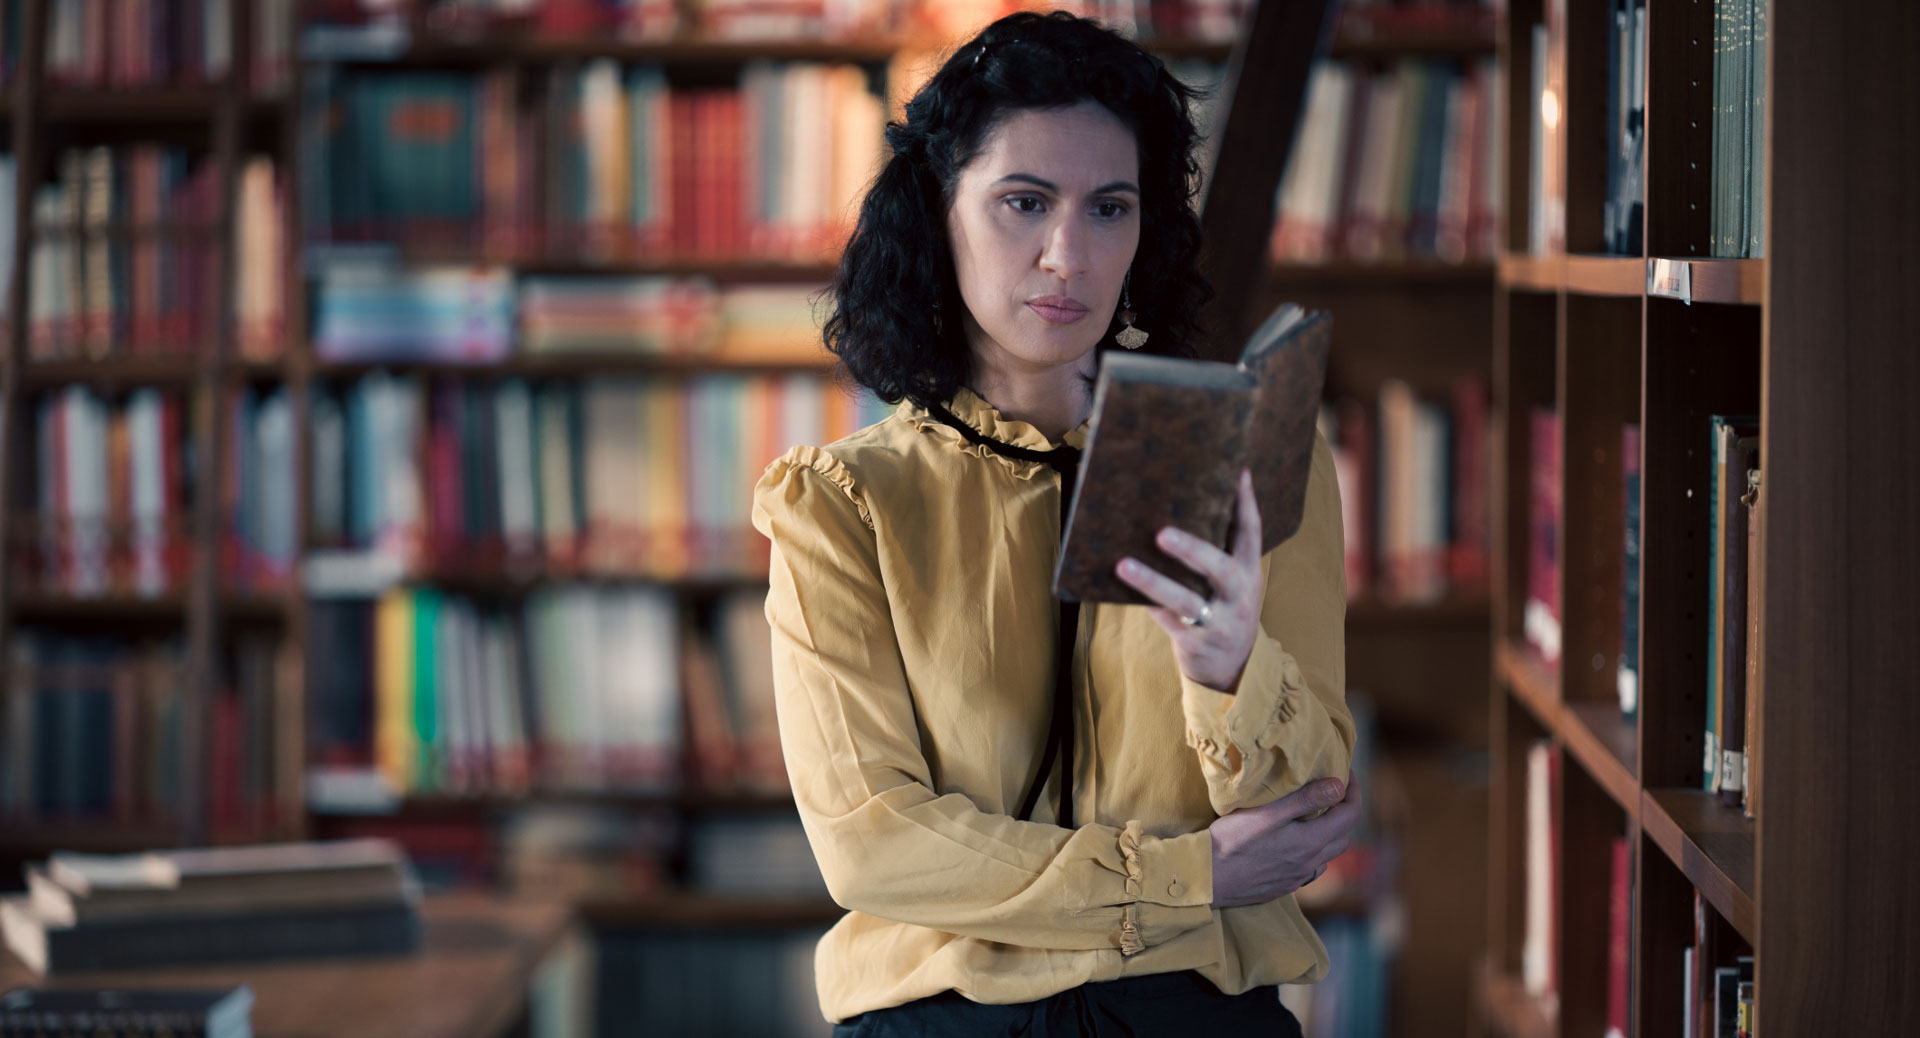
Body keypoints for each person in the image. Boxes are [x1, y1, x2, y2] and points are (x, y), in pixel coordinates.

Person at [749, 11, 1363, 1035]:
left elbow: (1309, 813)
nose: (1067, 255)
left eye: (1110, 208)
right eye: (1023, 203)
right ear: (939, 214)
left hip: (1194, 1015)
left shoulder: (1247, 462)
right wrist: (1185, 876)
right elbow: (873, 846)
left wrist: (1227, 670)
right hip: (944, 1016)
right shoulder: (842, 504)